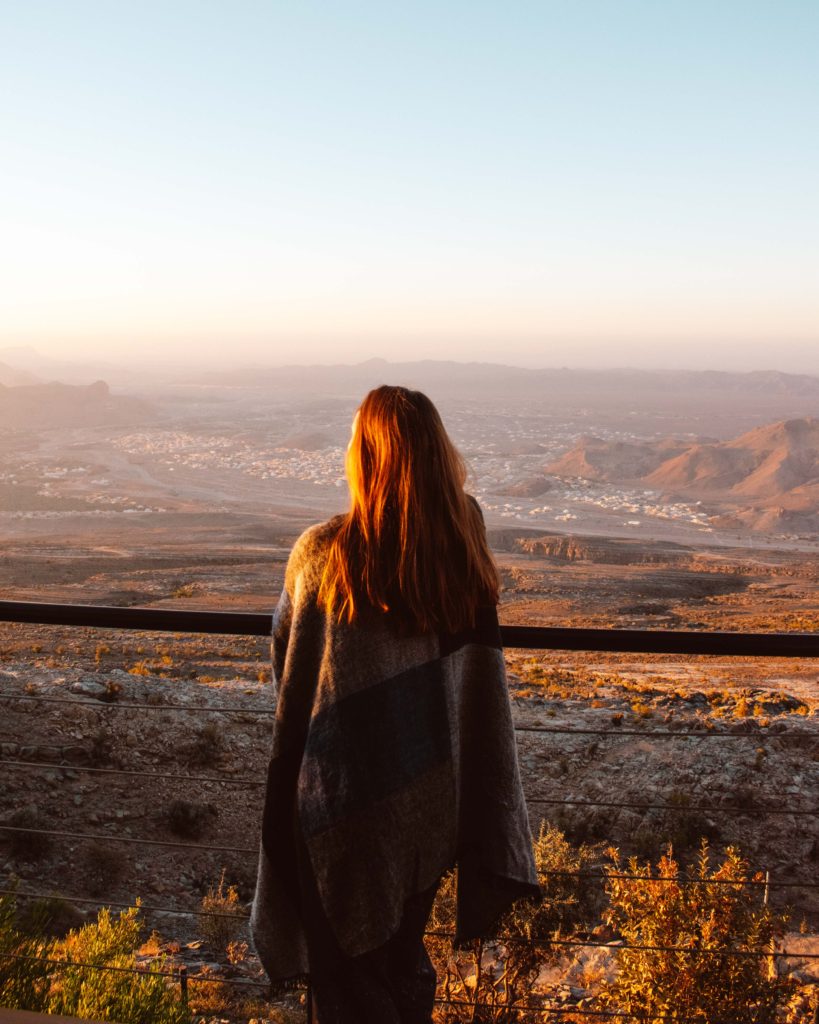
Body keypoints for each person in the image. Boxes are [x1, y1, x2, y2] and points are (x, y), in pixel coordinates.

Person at [251, 385, 539, 1023]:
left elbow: (288, 658)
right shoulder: (462, 540)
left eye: (354, 440)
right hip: (430, 803)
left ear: (369, 457)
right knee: (401, 960)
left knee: (346, 982)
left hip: (341, 808)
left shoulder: (323, 553)